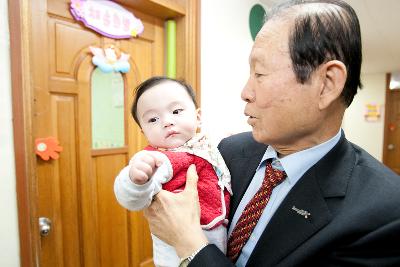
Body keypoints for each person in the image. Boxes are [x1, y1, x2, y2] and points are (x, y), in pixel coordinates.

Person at [143, 1, 400, 266]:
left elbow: (188, 237)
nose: (245, 91)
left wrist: (189, 243)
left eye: (260, 73)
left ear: (326, 84)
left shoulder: (385, 215)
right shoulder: (229, 151)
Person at [113, 76, 232, 267]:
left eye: (176, 111)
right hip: (174, 253)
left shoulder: (205, 146)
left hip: (216, 239)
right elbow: (131, 199)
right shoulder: (155, 159)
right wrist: (135, 181)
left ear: (198, 117)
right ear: (143, 132)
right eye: (153, 119)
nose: (167, 122)